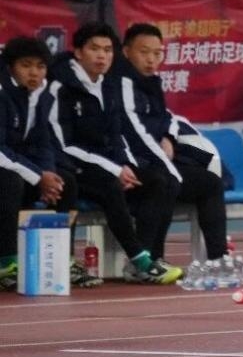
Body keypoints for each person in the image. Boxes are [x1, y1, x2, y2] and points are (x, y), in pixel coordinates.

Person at [47, 22, 183, 284]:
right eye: (95, 49)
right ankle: (139, 261)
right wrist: (114, 169)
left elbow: (116, 134)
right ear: (78, 52)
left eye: (108, 50)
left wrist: (125, 164)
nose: (102, 56)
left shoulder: (108, 86)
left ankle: (147, 258)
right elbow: (64, 144)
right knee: (110, 184)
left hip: (104, 163)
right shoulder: (60, 87)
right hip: (70, 164)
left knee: (157, 181)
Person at [117, 23, 232, 264]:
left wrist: (169, 139)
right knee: (164, 180)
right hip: (132, 165)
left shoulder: (151, 82)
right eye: (144, 52)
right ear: (126, 52)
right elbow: (134, 131)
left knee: (210, 183)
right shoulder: (121, 83)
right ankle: (148, 261)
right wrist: (162, 159)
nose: (151, 59)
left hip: (156, 160)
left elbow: (168, 118)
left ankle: (218, 261)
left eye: (157, 53)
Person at [0, 36, 93, 290]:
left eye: (40, 66)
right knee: (10, 182)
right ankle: (6, 264)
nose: (34, 73)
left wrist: (49, 175)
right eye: (26, 65)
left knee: (66, 182)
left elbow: (43, 143)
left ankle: (65, 259)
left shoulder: (41, 94)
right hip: (7, 170)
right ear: (10, 67)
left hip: (19, 167)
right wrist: (38, 176)